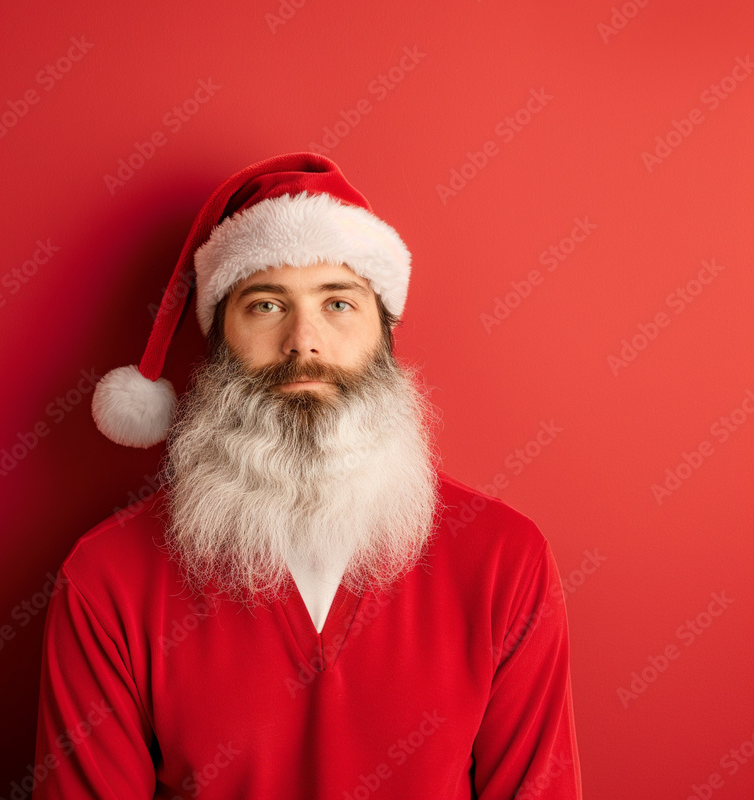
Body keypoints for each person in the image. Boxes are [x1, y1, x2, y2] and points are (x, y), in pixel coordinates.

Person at [31, 153, 583, 799]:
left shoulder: (501, 557)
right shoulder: (110, 575)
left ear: (384, 335)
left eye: (339, 303)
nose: (304, 341)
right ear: (218, 341)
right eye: (266, 305)